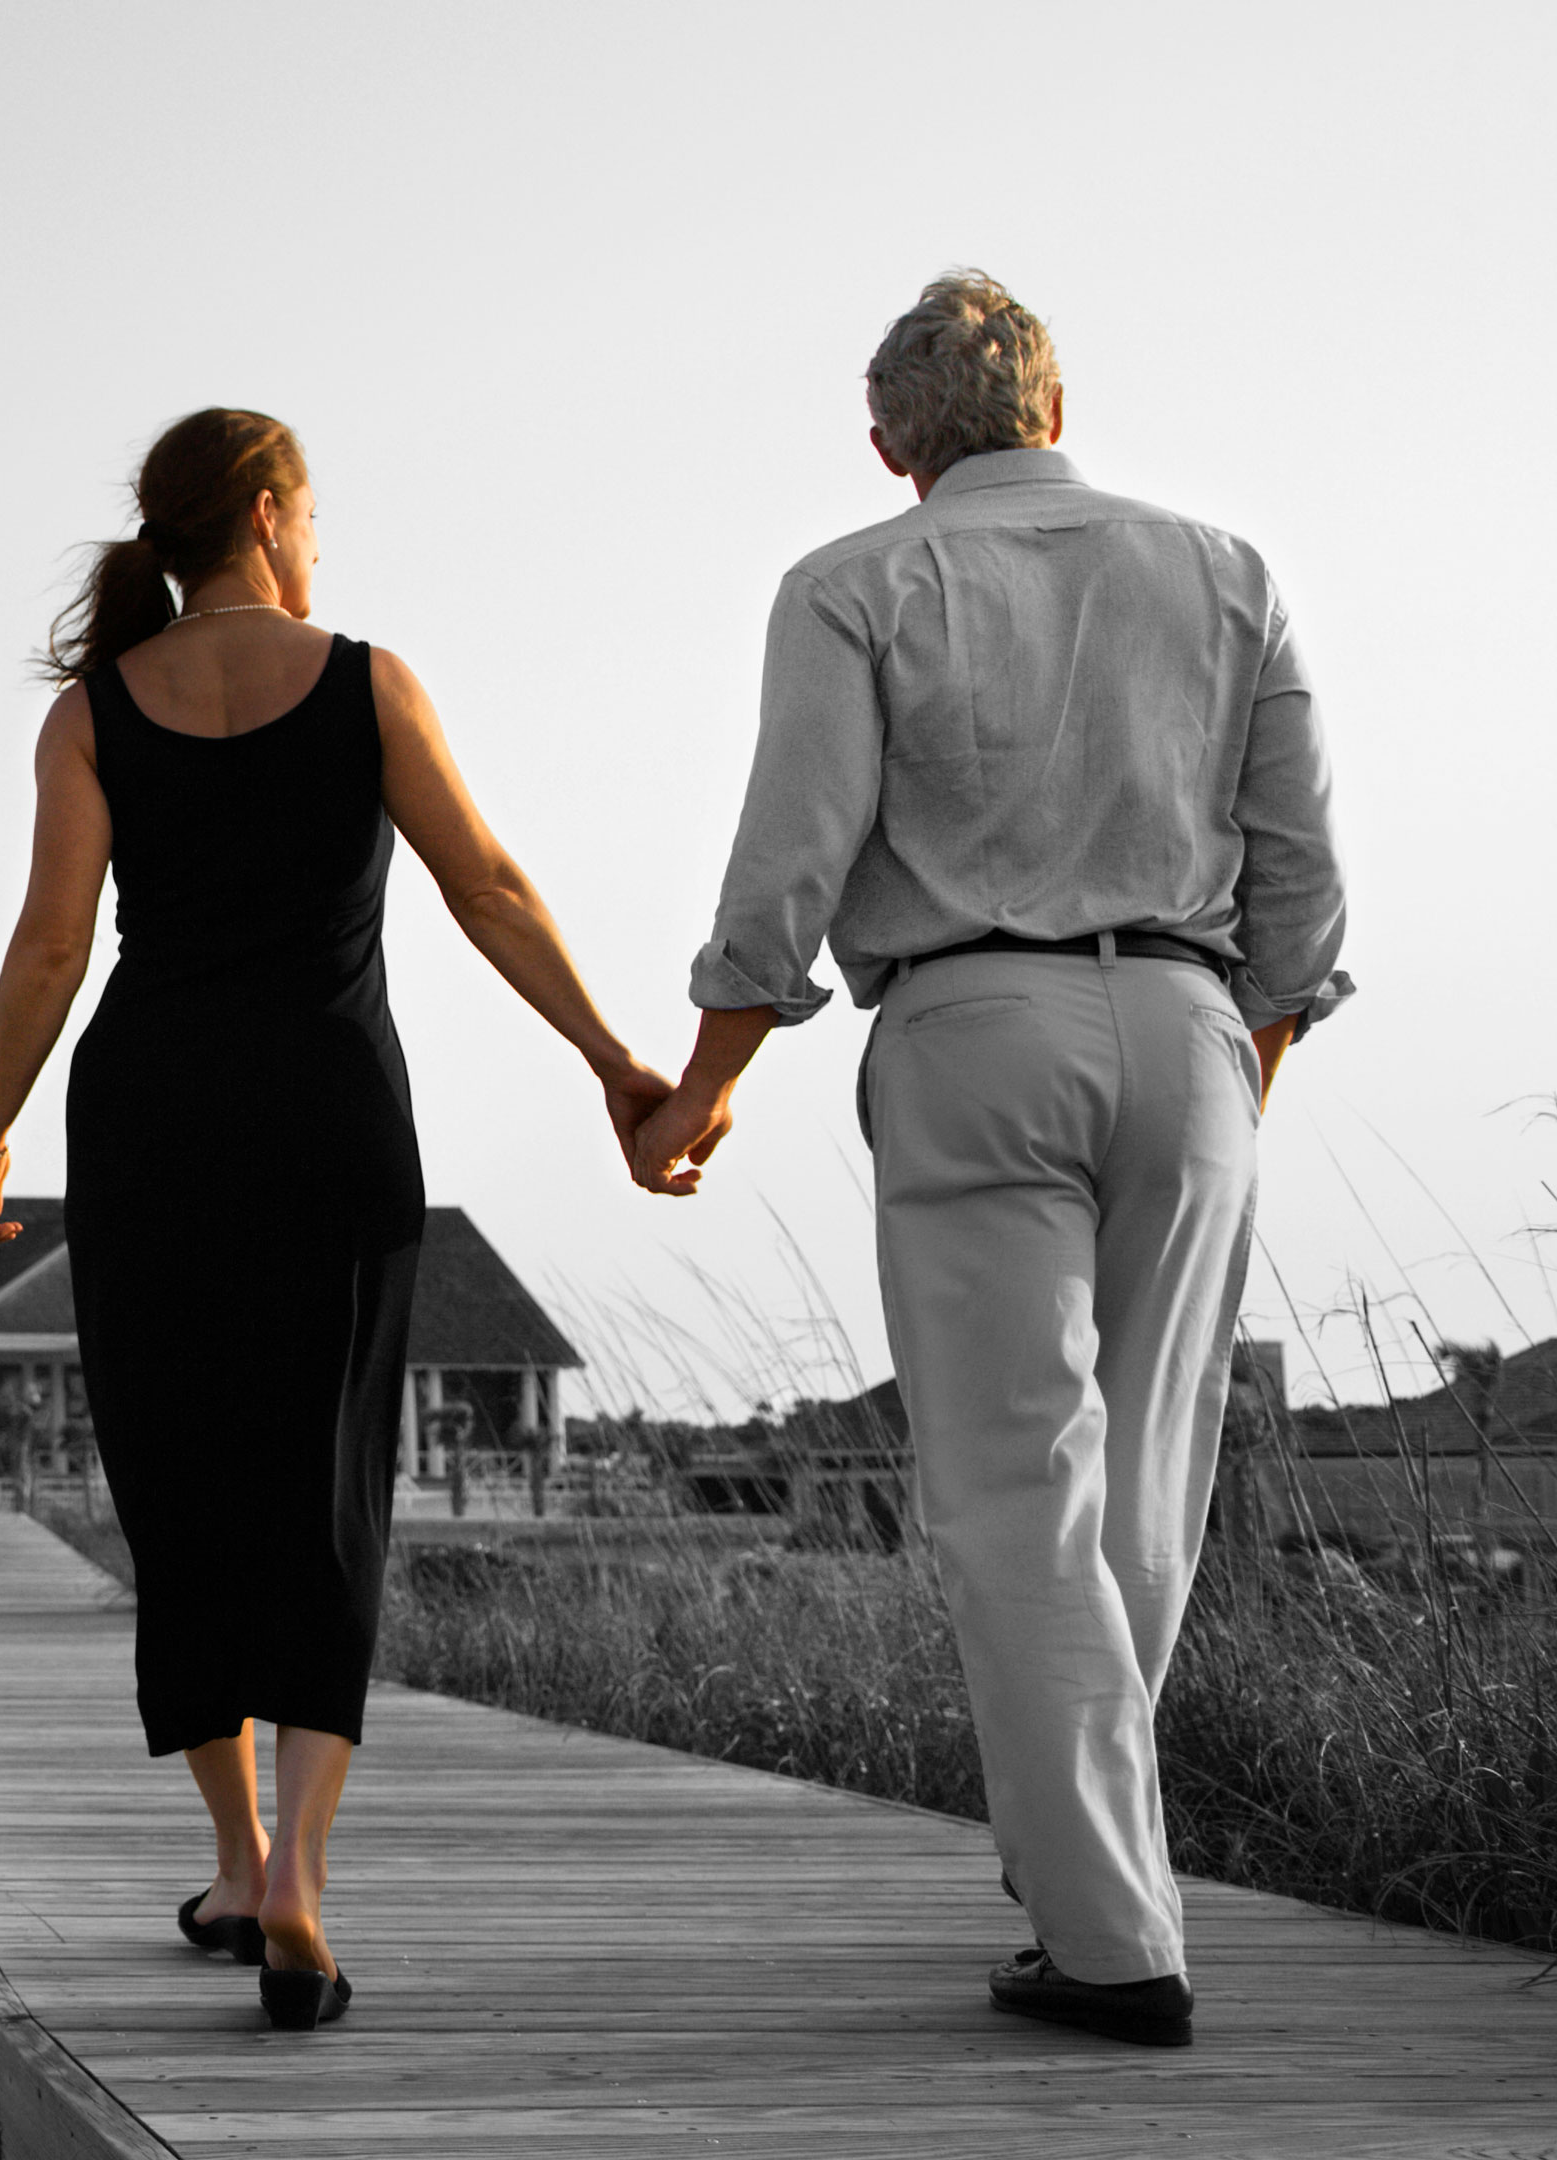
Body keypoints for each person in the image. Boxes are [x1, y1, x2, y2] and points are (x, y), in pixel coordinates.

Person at [630, 273, 1350, 2048]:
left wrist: (709, 1081)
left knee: (1017, 1496)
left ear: (888, 443)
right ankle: (1078, 1866)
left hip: (968, 1028)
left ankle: (1113, 1940)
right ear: (1056, 400)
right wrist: (1239, 1068)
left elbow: (790, 863)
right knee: (1148, 1486)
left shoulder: (857, 586)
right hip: (1192, 1032)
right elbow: (1303, 876)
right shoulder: (1227, 571)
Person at [0, 407, 676, 2030]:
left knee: (185, 1483)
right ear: (271, 513)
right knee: (329, 1486)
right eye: (315, 515)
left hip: (151, 1131)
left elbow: (52, 947)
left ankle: (234, 1851)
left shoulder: (92, 714)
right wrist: (614, 1060)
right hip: (334, 1123)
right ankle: (300, 1882)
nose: (323, 543)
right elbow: (485, 884)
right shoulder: (367, 679)